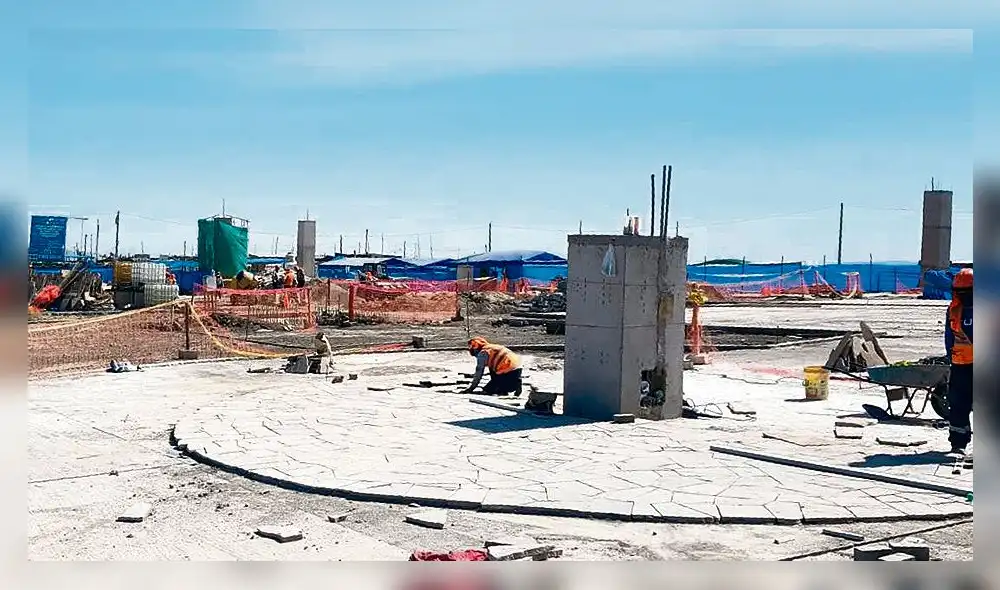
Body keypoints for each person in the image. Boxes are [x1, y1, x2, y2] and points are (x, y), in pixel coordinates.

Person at [945, 268, 973, 457]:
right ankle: (958, 443)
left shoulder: (954, 308)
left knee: (959, 405)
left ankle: (959, 444)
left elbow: (948, 339)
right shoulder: (953, 308)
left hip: (964, 364)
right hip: (962, 365)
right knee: (958, 405)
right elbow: (949, 337)